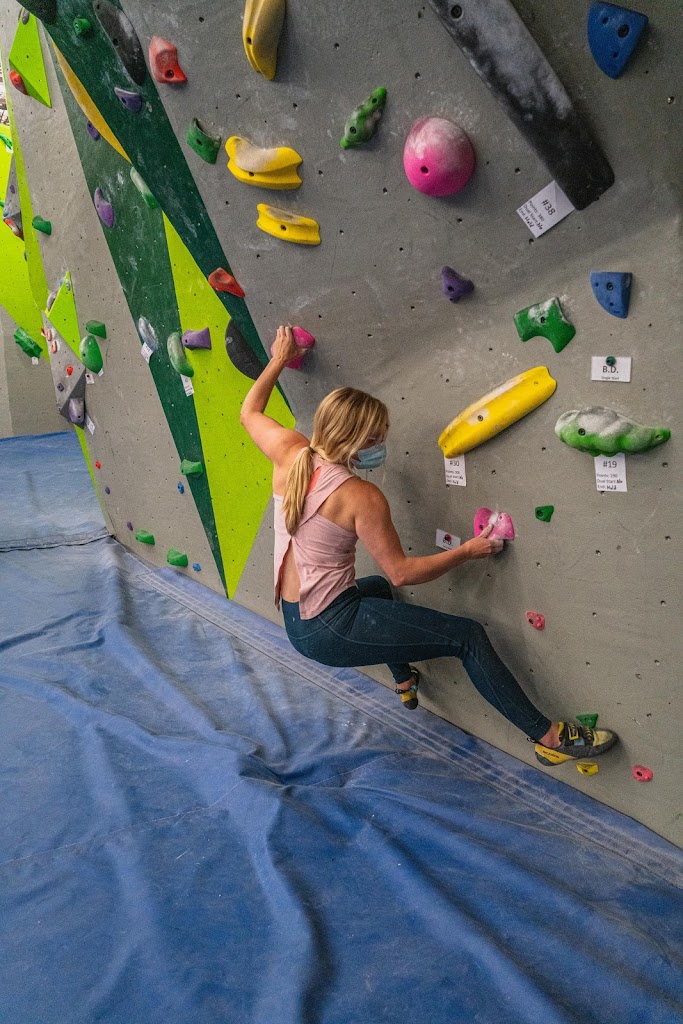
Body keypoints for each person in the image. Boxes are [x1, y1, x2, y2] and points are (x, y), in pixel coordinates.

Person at [240, 326, 618, 767]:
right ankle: (549, 736)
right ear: (356, 441)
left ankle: (404, 680)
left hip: (296, 619)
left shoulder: (290, 451)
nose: (382, 445)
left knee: (378, 588)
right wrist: (468, 551)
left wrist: (279, 359)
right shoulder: (361, 496)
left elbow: (249, 411)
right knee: (467, 637)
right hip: (329, 628)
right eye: (377, 437)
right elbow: (405, 572)